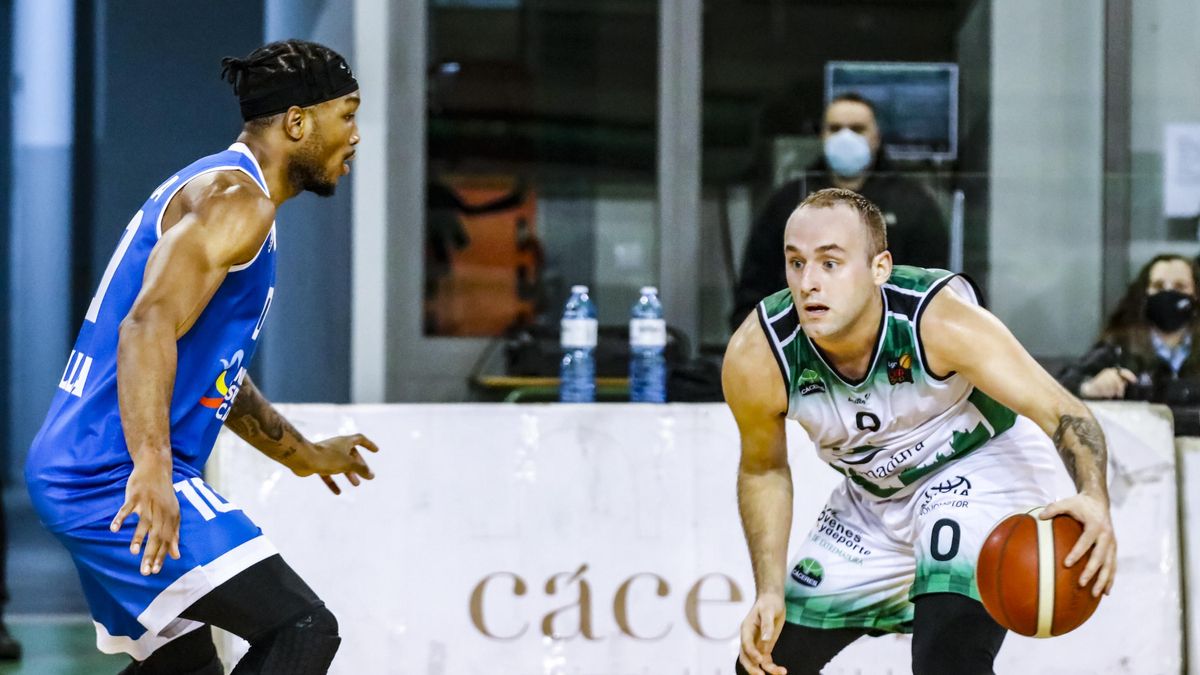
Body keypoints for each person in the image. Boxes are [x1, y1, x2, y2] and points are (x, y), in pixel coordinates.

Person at [24, 40, 377, 674]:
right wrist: (153, 466)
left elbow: (216, 375)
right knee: (301, 627)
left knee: (184, 670)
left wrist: (301, 454)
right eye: (347, 114)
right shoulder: (237, 201)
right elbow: (146, 327)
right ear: (298, 122)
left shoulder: (224, 192)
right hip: (111, 475)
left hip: (87, 468)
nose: (355, 135)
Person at [723, 188, 1116, 675]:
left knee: (945, 661)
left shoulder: (938, 320)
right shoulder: (758, 354)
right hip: (872, 502)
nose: (809, 283)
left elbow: (1061, 410)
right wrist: (768, 588)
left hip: (979, 469)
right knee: (764, 665)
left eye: (830, 263)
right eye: (796, 263)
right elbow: (763, 469)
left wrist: (1094, 495)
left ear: (879, 268)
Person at [730, 93, 949, 330]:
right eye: (835, 128)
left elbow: (931, 289)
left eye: (857, 129)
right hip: (802, 344)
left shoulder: (913, 203)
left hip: (891, 345)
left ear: (876, 137)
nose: (846, 137)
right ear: (822, 136)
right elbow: (755, 288)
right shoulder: (789, 202)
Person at [1059, 254, 1200, 405]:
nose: (1168, 293)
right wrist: (1090, 387)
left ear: (1196, 294)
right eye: (1158, 286)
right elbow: (1063, 384)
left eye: (1180, 287)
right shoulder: (1118, 347)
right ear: (1145, 293)